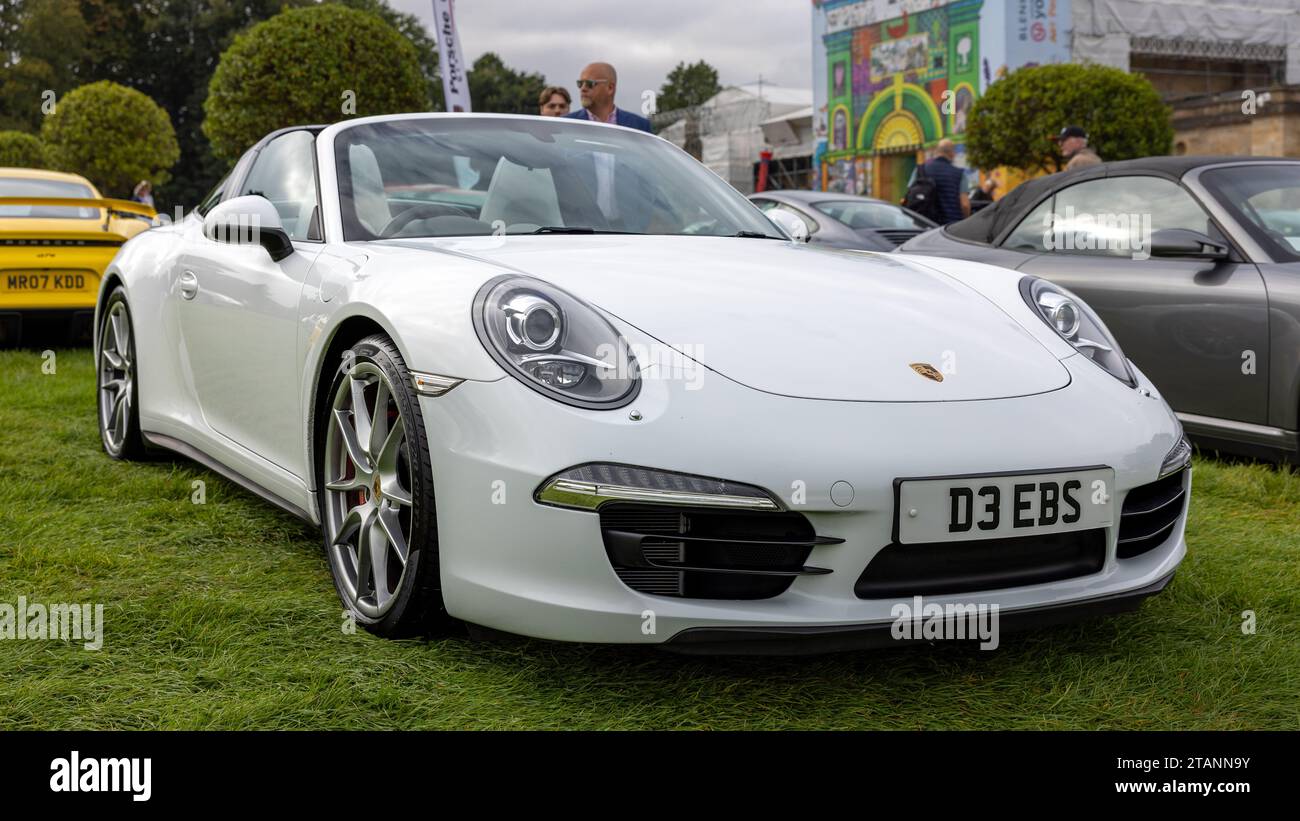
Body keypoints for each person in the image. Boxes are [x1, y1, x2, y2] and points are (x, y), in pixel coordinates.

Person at [564, 62, 652, 133]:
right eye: (580, 84)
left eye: (589, 84)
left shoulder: (639, 126)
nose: (583, 88)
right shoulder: (566, 125)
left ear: (610, 88)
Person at [915, 139, 969, 224]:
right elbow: (965, 205)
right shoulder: (959, 174)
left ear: (937, 152)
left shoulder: (920, 170)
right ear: (951, 153)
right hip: (950, 227)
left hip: (925, 225)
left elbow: (910, 195)